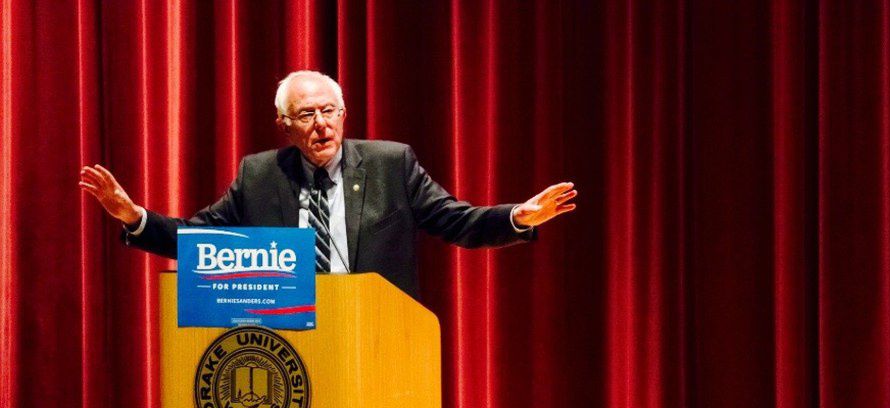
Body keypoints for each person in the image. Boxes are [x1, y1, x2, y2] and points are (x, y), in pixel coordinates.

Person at [79, 70, 577, 298]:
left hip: (374, 333)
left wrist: (518, 217)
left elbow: (456, 221)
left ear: (344, 115)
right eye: (306, 115)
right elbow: (204, 240)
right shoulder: (260, 175)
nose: (321, 125)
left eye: (329, 111)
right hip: (289, 334)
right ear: (284, 125)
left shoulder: (391, 164)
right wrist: (135, 218)